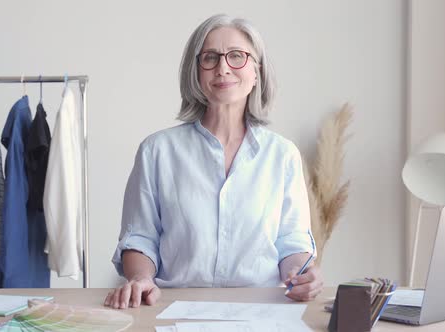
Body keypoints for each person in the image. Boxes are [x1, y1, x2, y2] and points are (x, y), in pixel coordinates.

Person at [105, 14, 323, 310]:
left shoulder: (283, 155)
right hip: (173, 308)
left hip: (261, 312)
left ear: (256, 71)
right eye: (210, 58)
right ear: (196, 72)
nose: (222, 68)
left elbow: (292, 242)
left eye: (237, 56)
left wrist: (301, 275)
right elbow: (140, 238)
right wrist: (142, 278)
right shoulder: (156, 151)